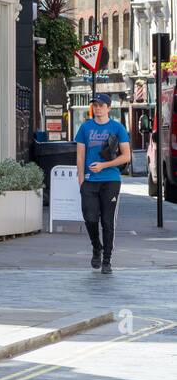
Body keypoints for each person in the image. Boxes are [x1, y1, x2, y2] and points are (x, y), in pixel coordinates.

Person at [75, 93, 131, 274]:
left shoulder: (117, 128)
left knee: (107, 221)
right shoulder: (85, 128)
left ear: (108, 107)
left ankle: (106, 260)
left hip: (111, 180)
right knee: (90, 218)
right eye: (95, 105)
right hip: (90, 182)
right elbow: (80, 155)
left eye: (101, 105)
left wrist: (104, 165)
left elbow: (126, 156)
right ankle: (96, 246)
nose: (97, 108)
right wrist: (81, 181)